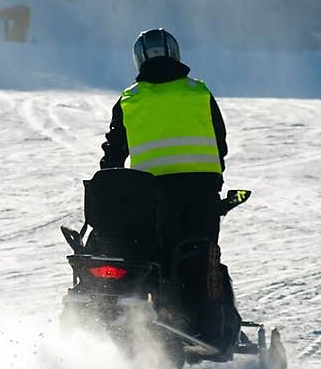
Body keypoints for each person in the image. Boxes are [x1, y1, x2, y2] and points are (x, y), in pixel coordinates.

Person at [99, 27, 232, 342]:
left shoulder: (130, 100)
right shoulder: (199, 93)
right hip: (200, 192)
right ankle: (205, 325)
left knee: (151, 255)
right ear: (175, 53)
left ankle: (152, 313)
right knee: (199, 255)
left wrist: (110, 186)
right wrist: (214, 177)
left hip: (149, 195)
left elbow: (113, 154)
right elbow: (219, 143)